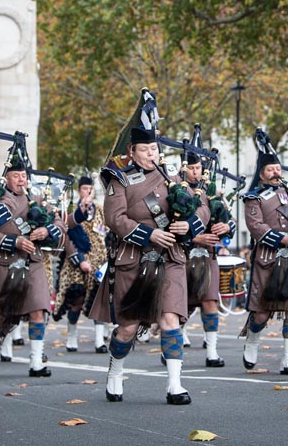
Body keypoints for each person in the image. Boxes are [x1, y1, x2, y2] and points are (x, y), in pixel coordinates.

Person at [88, 88, 209, 405]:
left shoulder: (172, 177)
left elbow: (201, 208)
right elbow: (115, 219)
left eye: (155, 148)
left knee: (170, 319)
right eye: (145, 149)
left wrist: (188, 224)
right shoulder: (119, 179)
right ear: (132, 150)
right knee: (127, 328)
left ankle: (175, 385)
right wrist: (149, 234)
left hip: (169, 257)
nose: (152, 154)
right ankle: (115, 371)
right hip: (134, 259)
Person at [0, 134, 63, 379]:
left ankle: (36, 360)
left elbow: (59, 222)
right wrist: (14, 241)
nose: (21, 180)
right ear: (7, 178)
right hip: (6, 263)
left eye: (24, 175)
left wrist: (47, 230)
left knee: (38, 309)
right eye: (16, 176)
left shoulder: (37, 199)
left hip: (33, 263)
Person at [240, 130, 288, 377]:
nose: (276, 172)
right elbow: (256, 226)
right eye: (270, 169)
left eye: (277, 168)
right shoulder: (253, 197)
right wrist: (282, 239)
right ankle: (252, 340)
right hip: (268, 259)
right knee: (262, 312)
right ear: (262, 173)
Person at [182, 147, 234, 368]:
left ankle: (212, 352)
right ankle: (172, 343)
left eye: (198, 168)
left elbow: (229, 221)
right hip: (182, 256)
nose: (196, 172)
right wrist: (195, 239)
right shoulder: (174, 190)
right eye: (191, 168)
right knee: (179, 305)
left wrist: (225, 227)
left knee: (210, 301)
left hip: (208, 256)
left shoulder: (210, 193)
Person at [56, 175, 110, 354]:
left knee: (99, 300)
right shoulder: (71, 209)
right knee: (76, 300)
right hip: (78, 262)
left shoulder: (101, 210)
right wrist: (79, 260)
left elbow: (107, 233)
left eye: (91, 189)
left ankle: (99, 340)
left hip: (99, 261)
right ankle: (71, 335)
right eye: (85, 189)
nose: (88, 192)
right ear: (80, 190)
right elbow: (67, 237)